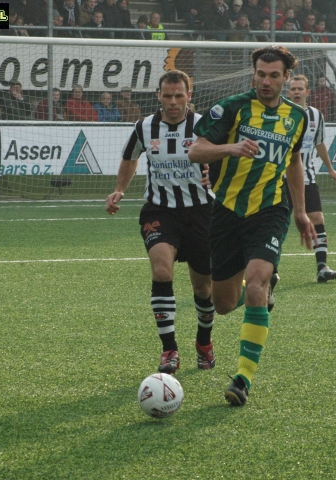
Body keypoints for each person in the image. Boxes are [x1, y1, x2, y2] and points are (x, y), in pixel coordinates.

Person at [188, 46, 317, 407]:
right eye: (261, 74)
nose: (266, 81)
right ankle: (258, 291)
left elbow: (293, 161)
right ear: (253, 74)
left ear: (286, 78)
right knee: (225, 303)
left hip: (270, 210)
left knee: (257, 282)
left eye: (274, 75)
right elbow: (196, 151)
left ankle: (243, 378)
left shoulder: (297, 116)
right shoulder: (232, 107)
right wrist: (230, 148)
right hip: (227, 210)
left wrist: (301, 212)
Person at [106, 70, 215, 375]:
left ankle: (204, 342)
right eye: (167, 96)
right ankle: (169, 350)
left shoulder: (204, 124)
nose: (173, 102)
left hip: (202, 211)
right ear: (158, 96)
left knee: (204, 288)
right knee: (161, 268)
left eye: (179, 95)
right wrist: (120, 190)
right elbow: (130, 158)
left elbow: (225, 156)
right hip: (159, 210)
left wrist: (216, 173)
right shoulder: (144, 127)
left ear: (189, 96)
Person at [286, 75, 336, 283]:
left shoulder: (316, 116)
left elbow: (319, 144)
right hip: (279, 179)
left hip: (307, 177)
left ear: (307, 93)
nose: (297, 92)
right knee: (278, 223)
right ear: (288, 92)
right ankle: (271, 270)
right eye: (293, 89)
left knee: (317, 218)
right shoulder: (279, 113)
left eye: (300, 89)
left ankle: (322, 266)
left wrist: (330, 169)